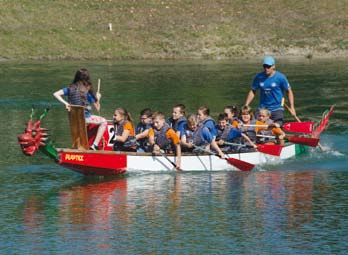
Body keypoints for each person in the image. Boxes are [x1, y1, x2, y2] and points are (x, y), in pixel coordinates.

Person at [53, 68, 107, 150]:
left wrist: (66, 103)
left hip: (73, 120)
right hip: (85, 119)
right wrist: (98, 98)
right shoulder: (88, 91)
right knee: (103, 121)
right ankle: (95, 145)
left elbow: (55, 94)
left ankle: (79, 145)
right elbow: (98, 108)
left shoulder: (70, 88)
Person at [244, 56, 296, 125]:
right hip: (263, 108)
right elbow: (253, 91)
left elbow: (289, 91)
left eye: (268, 66)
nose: (266, 68)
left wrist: (292, 107)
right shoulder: (258, 77)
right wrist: (246, 105)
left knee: (276, 125)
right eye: (264, 66)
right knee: (255, 125)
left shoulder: (281, 77)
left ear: (273, 66)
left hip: (277, 108)